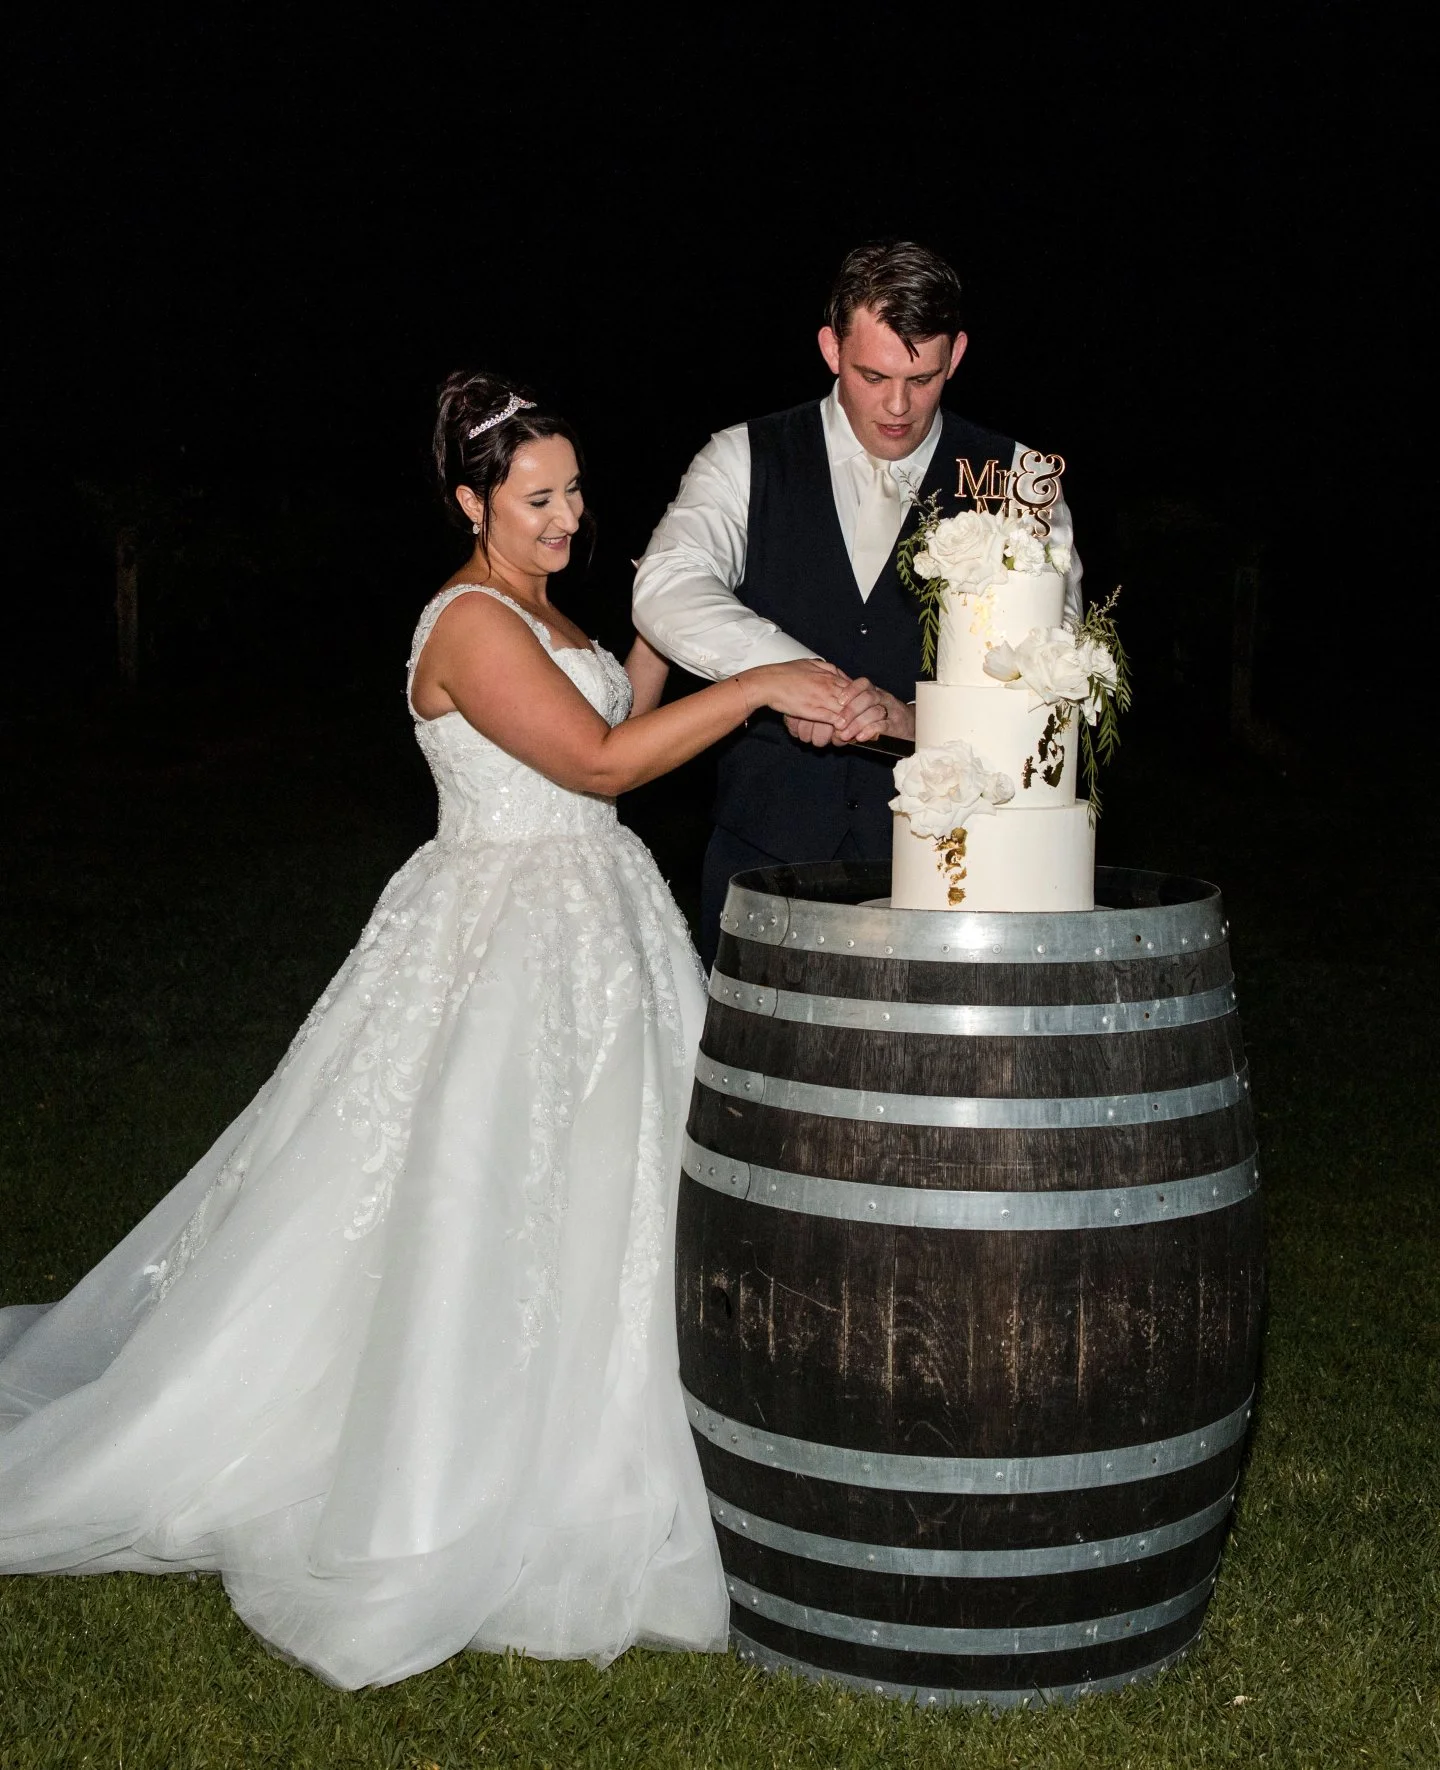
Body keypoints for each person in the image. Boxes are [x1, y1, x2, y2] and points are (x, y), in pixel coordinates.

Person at [0, 372, 849, 1689]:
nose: (568, 515)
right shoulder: (465, 620)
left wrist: (666, 623)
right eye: (537, 498)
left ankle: (619, 1442)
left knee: (618, 1195)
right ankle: (440, 1470)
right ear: (470, 500)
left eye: (575, 489)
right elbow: (602, 766)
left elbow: (609, 713)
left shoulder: (538, 608)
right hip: (501, 935)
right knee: (472, 1196)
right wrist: (761, 684)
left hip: (599, 924)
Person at [632, 239, 1084, 970]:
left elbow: (1053, 681)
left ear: (957, 355)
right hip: (764, 860)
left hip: (954, 869)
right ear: (829, 346)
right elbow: (668, 584)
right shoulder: (743, 456)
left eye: (923, 377)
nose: (898, 405)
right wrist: (795, 679)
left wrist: (920, 722)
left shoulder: (1020, 481)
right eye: (873, 375)